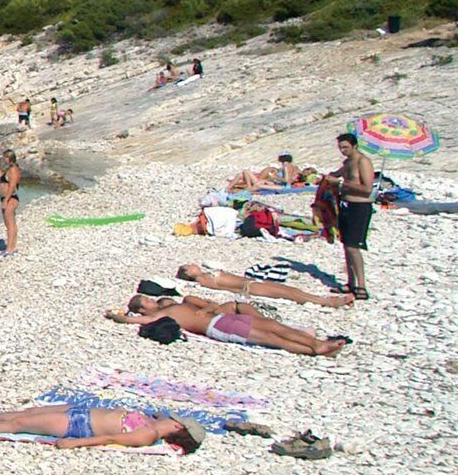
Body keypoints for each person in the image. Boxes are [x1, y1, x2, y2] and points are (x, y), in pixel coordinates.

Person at [107, 296, 347, 356]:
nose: (151, 300)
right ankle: (316, 350)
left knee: (275, 327)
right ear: (141, 310)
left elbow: (212, 304)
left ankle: (318, 343)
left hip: (221, 318)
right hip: (219, 329)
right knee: (272, 339)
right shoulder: (154, 318)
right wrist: (114, 315)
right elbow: (127, 320)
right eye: (145, 301)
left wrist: (209, 309)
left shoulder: (171, 305)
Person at [0, 399, 204, 453]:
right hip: (81, 412)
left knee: (20, 425)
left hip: (79, 425)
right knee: (31, 412)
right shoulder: (153, 422)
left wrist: (75, 442)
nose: (171, 417)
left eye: (176, 421)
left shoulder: (147, 435)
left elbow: (110, 439)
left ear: (178, 429)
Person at [327, 131, 375, 301]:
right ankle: (350, 282)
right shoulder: (347, 163)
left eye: (346, 147)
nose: (343, 150)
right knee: (346, 244)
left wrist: (340, 183)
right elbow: (335, 175)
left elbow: (367, 189)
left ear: (355, 146)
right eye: (340, 147)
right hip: (345, 205)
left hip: (360, 206)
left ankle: (361, 285)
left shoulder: (363, 162)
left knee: (353, 246)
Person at [176, 263, 353, 307]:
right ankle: (329, 302)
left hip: (252, 283)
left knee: (291, 290)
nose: (192, 264)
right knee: (290, 294)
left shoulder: (206, 273)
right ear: (188, 273)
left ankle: (323, 299)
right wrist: (242, 291)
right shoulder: (202, 279)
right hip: (249, 287)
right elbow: (221, 287)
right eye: (188, 266)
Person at [0, 148, 22, 257]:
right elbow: (2, 180)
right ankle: (11, 247)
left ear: (9, 158)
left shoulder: (14, 170)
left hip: (10, 199)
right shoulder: (9, 169)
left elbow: (12, 186)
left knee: (10, 224)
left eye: (5, 157)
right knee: (8, 224)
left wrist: (6, 200)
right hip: (7, 199)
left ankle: (10, 249)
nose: (3, 159)